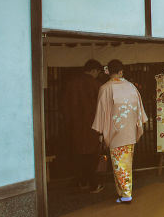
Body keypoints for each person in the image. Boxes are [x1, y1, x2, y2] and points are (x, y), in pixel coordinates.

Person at [92, 59, 147, 203]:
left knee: (119, 164)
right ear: (121, 72)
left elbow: (101, 112)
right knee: (125, 162)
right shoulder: (131, 87)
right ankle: (122, 192)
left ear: (108, 71)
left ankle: (126, 194)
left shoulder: (105, 88)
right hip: (130, 131)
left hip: (115, 131)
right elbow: (139, 109)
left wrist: (100, 132)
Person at [62, 59, 104, 193]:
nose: (98, 74)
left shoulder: (71, 84)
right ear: (93, 70)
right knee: (92, 155)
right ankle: (93, 184)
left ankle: (81, 181)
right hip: (93, 126)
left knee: (78, 154)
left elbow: (64, 106)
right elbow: (102, 107)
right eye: (98, 71)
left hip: (74, 126)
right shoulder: (97, 85)